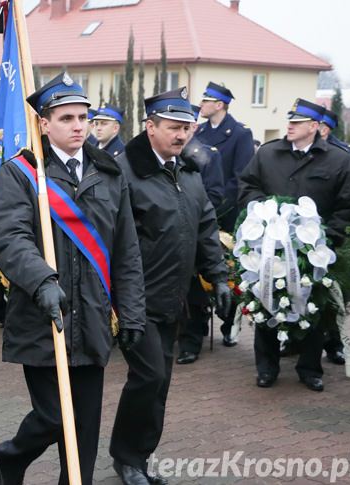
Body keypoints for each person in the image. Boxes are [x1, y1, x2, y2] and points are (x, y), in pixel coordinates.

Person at [0, 72, 146, 484]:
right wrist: (41, 280)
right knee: (56, 418)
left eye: (83, 117)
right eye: (66, 118)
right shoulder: (21, 173)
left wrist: (131, 314)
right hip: (45, 318)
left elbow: (126, 250)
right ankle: (12, 455)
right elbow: (7, 236)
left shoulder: (109, 174)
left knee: (85, 432)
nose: (78, 126)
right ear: (43, 123)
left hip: (92, 318)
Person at [110, 87, 230, 485]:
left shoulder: (188, 171)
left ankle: (139, 456)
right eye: (173, 128)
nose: (182, 136)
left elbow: (205, 227)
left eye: (187, 128)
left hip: (172, 298)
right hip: (135, 298)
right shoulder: (124, 172)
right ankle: (126, 458)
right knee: (149, 378)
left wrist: (218, 276)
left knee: (160, 383)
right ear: (150, 127)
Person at [238, 98, 350, 392]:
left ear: (314, 127)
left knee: (313, 307)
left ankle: (309, 368)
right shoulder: (268, 154)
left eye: (297, 121)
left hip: (315, 250)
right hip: (270, 247)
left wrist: (326, 236)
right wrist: (263, 216)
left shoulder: (338, 159)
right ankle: (266, 368)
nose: (289, 125)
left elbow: (348, 204)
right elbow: (246, 185)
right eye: (289, 120)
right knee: (266, 302)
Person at [196, 81, 255, 346]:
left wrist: (216, 207)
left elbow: (240, 177)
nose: (202, 104)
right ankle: (197, 323)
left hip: (227, 212)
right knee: (198, 269)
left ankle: (229, 322)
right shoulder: (199, 131)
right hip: (203, 209)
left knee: (228, 271)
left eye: (206, 100)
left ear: (219, 105)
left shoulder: (240, 134)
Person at [176, 104, 226, 365]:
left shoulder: (206, 154)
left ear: (194, 127)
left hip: (196, 230)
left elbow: (215, 193)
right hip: (172, 233)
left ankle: (191, 342)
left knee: (194, 291)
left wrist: (193, 215)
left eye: (186, 126)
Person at [319, 107, 350, 365]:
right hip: (304, 233)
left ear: (323, 128)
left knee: (335, 293)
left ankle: (333, 344)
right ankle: (295, 342)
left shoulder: (348, 153)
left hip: (336, 234)